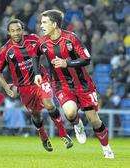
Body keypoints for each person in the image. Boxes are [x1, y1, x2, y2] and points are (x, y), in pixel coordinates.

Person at [34, 10, 114, 158]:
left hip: (83, 84)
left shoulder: (71, 38)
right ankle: (77, 124)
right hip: (61, 84)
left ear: (54, 24)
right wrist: (37, 73)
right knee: (70, 112)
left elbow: (87, 59)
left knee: (94, 120)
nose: (41, 25)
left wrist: (66, 63)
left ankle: (106, 147)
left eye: (44, 22)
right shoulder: (42, 41)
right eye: (41, 22)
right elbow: (35, 55)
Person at [0, 19, 73, 152]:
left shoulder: (33, 40)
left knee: (49, 104)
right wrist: (6, 87)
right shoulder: (5, 50)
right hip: (24, 87)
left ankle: (63, 134)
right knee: (36, 115)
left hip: (41, 79)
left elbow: (47, 49)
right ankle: (43, 136)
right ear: (9, 32)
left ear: (22, 29)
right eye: (13, 31)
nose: (16, 33)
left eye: (18, 29)